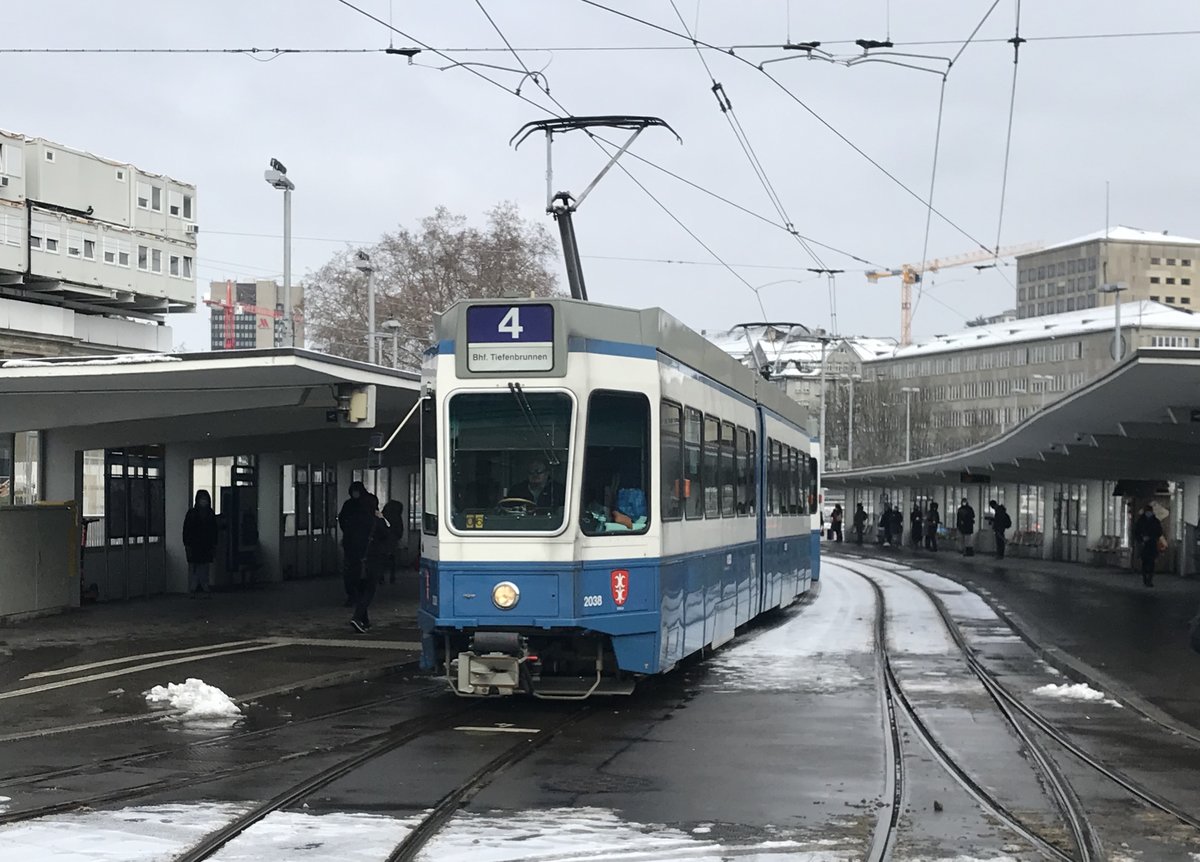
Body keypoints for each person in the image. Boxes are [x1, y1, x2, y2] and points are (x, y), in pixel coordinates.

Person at [352, 505, 391, 633]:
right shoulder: (376, 521)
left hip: (356, 559)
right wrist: (382, 519)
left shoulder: (356, 519)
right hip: (372, 559)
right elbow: (387, 533)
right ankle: (357, 617)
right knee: (369, 590)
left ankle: (365, 621)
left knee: (361, 590)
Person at [338, 481, 376, 607]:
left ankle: (357, 595)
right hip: (355, 542)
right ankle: (356, 594)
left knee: (356, 570)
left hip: (361, 542)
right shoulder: (355, 504)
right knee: (354, 570)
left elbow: (343, 520)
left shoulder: (361, 504)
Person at [182, 489, 218, 596]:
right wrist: (187, 544)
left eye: (205, 498)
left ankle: (201, 587)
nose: (203, 501)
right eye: (202, 498)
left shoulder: (210, 514)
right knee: (196, 567)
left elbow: (214, 530)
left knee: (204, 567)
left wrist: (214, 544)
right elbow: (187, 530)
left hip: (206, 545)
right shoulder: (192, 514)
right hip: (195, 545)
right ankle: (197, 587)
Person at [1133, 503, 1164, 587]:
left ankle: (1149, 579)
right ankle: (1145, 579)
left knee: (1151, 563)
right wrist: (1141, 539)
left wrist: (1150, 537)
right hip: (1144, 544)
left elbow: (1159, 532)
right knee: (1145, 562)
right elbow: (1136, 532)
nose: (1148, 513)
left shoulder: (1154, 521)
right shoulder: (1141, 521)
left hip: (1151, 544)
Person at [381, 498, 405, 584]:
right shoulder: (397, 517)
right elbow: (400, 529)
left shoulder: (384, 516)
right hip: (393, 541)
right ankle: (392, 577)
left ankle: (381, 577)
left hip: (382, 540)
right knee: (392, 560)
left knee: (382, 559)